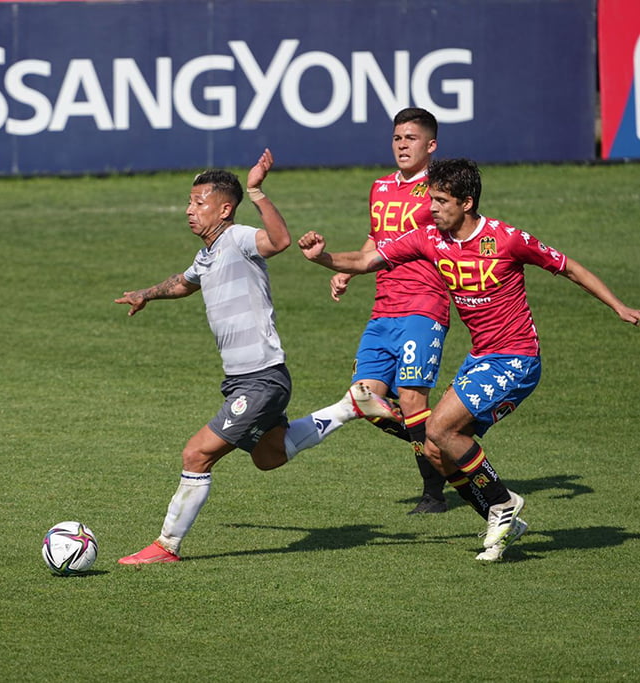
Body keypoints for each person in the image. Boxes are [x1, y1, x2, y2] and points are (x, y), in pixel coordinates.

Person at [299, 158, 640, 561]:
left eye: (441, 201)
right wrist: (322, 257)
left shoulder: (506, 239)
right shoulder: (428, 238)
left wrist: (619, 307)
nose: (432, 208)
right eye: (431, 199)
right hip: (479, 358)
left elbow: (568, 268)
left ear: (467, 202)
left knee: (440, 428)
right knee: (434, 447)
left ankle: (503, 503)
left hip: (516, 358)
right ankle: (502, 520)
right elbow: (364, 262)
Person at [115, 149, 400, 565]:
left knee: (196, 454)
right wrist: (146, 294)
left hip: (262, 378)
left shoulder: (238, 238)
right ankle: (349, 407)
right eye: (189, 202)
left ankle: (166, 546)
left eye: (199, 203)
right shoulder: (207, 254)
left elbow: (279, 241)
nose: (189, 210)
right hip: (242, 379)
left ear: (224, 209)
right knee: (269, 456)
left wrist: (256, 191)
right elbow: (184, 282)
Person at [329, 107, 453, 514]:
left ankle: (433, 493)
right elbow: (376, 238)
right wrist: (349, 271)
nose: (402, 145)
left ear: (430, 145)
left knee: (413, 401)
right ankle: (444, 442)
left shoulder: (439, 191)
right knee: (363, 400)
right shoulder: (380, 187)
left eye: (411, 138)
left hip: (424, 305)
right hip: (384, 309)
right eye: (397, 138)